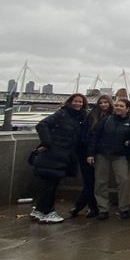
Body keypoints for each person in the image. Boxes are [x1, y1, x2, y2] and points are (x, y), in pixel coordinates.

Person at [31, 93, 88, 223]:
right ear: (70, 102)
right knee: (51, 185)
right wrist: (47, 143)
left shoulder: (78, 117)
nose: (78, 104)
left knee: (50, 184)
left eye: (80, 102)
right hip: (54, 155)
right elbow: (42, 124)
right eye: (75, 101)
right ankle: (48, 212)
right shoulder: (62, 114)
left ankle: (39, 210)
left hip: (63, 156)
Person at [88, 98, 130, 220]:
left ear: (127, 109)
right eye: (117, 105)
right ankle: (103, 209)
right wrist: (90, 154)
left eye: (121, 106)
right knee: (101, 182)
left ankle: (124, 208)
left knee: (124, 181)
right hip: (102, 154)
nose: (118, 108)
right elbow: (94, 136)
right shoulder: (106, 120)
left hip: (120, 156)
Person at [71, 94, 112, 218]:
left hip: (102, 153)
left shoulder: (113, 117)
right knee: (89, 181)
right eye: (101, 103)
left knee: (98, 182)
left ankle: (84, 206)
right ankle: (89, 207)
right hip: (86, 152)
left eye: (105, 102)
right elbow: (85, 135)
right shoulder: (91, 116)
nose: (103, 105)